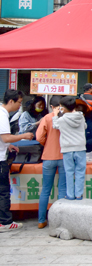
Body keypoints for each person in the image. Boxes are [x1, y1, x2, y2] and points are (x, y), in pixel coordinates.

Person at [1, 90, 34, 231]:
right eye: (19, 102)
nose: (20, 105)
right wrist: (23, 136)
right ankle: (5, 222)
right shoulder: (2, 115)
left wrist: (9, 145)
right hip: (0, 160)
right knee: (3, 191)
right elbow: (6, 137)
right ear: (11, 101)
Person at [36, 95, 67, 229]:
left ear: (51, 106)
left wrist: (47, 143)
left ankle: (41, 220)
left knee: (45, 191)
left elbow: (39, 137)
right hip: (64, 157)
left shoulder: (47, 118)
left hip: (48, 157)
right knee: (62, 190)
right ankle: (59, 222)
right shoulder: (66, 117)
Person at [53, 97, 87, 201]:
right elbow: (85, 126)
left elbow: (55, 125)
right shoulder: (81, 117)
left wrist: (55, 115)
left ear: (63, 108)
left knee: (69, 172)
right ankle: (79, 195)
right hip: (80, 147)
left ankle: (70, 195)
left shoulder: (62, 120)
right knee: (80, 171)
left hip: (67, 148)